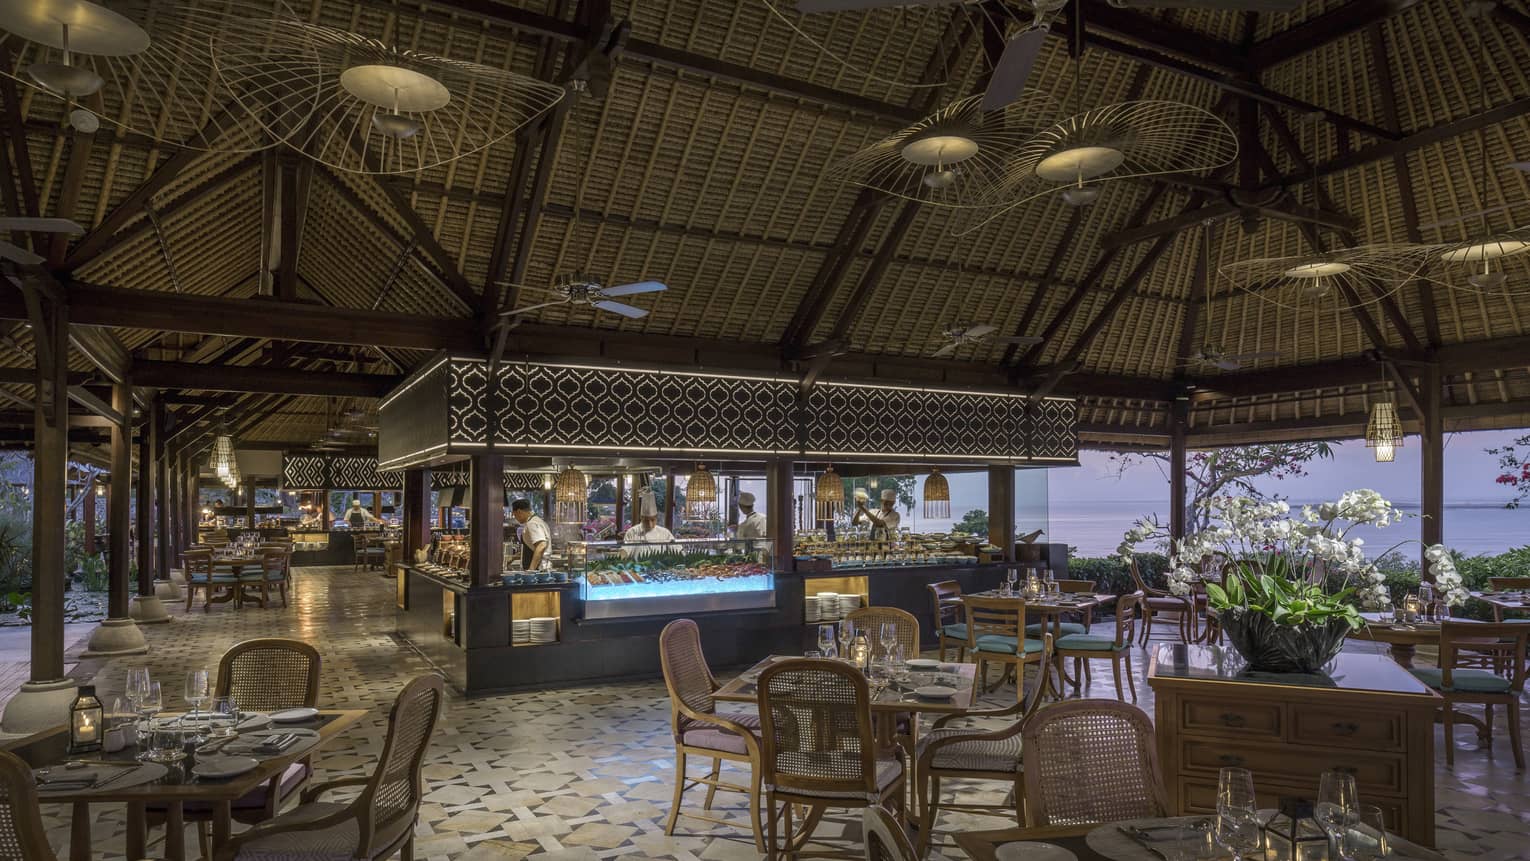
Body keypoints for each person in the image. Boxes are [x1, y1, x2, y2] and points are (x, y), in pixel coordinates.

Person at [512, 499, 550, 571]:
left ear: (519, 511)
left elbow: (541, 545)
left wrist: (531, 570)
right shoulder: (538, 521)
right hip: (541, 570)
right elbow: (531, 547)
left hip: (537, 572)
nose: (515, 518)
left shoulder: (532, 523)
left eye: (515, 515)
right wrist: (514, 557)